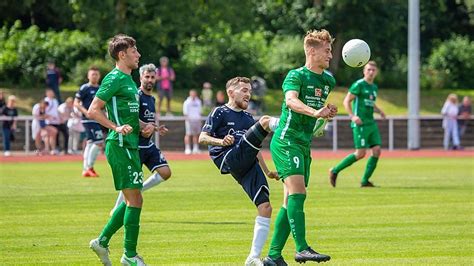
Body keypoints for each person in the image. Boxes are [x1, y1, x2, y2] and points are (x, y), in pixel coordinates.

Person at [264, 29, 337, 265]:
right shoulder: (296, 75)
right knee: (298, 193)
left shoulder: (328, 80)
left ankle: (273, 256)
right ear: (311, 51)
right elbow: (291, 101)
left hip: (304, 144)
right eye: (327, 50)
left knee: (289, 201)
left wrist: (325, 115)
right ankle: (302, 248)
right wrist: (316, 111)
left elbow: (317, 114)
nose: (331, 55)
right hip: (286, 141)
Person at [199, 77, 280, 266]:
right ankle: (289, 125)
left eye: (249, 91)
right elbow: (202, 137)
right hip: (229, 159)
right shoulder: (219, 112)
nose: (248, 94)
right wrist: (221, 142)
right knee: (266, 121)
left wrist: (267, 171)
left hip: (247, 162)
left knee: (265, 207)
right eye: (244, 90)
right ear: (230, 93)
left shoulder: (247, 118)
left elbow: (255, 146)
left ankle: (252, 257)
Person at [87, 34, 152, 266]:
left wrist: (144, 126)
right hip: (119, 144)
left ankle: (102, 242)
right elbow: (93, 110)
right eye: (134, 51)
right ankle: (129, 256)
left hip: (131, 144)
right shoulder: (114, 78)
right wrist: (116, 127)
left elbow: (128, 115)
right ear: (122, 54)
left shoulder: (130, 81)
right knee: (135, 200)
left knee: (130, 199)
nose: (139, 55)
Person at [110, 63, 172, 215]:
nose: (150, 80)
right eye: (147, 77)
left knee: (165, 172)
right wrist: (144, 128)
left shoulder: (152, 99)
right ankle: (117, 208)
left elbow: (148, 121)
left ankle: (137, 191)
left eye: (152, 77)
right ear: (141, 77)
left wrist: (156, 128)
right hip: (135, 144)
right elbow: (131, 118)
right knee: (130, 181)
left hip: (148, 144)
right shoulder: (136, 95)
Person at [329, 61, 386, 188]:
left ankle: (365, 181)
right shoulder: (359, 85)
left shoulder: (374, 87)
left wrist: (380, 111)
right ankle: (335, 170)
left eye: (373, 70)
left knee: (377, 150)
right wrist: (353, 116)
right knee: (360, 154)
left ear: (376, 72)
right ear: (364, 71)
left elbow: (370, 103)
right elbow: (346, 101)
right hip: (360, 124)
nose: (371, 72)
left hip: (371, 123)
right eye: (368, 69)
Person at [74, 66, 104, 177]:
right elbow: (76, 103)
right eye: (92, 74)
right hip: (88, 119)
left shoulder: (101, 89)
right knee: (99, 142)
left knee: (91, 142)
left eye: (96, 74)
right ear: (88, 76)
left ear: (99, 76)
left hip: (98, 119)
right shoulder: (85, 88)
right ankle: (90, 167)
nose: (94, 76)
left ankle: (85, 168)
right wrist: (86, 112)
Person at [183, 89, 203, 154]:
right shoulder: (187, 102)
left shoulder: (198, 101)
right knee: (188, 134)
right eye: (192, 94)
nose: (193, 95)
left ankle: (195, 148)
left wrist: (200, 120)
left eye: (194, 94)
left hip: (197, 120)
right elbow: (185, 112)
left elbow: (200, 112)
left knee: (196, 135)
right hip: (189, 121)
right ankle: (187, 148)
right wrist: (187, 120)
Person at [44, 88, 62, 155]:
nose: (52, 94)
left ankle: (53, 149)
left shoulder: (55, 101)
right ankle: (47, 149)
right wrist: (48, 116)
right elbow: (43, 110)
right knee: (48, 135)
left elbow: (57, 110)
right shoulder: (46, 100)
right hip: (48, 121)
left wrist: (59, 118)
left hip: (55, 121)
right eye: (50, 92)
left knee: (54, 135)